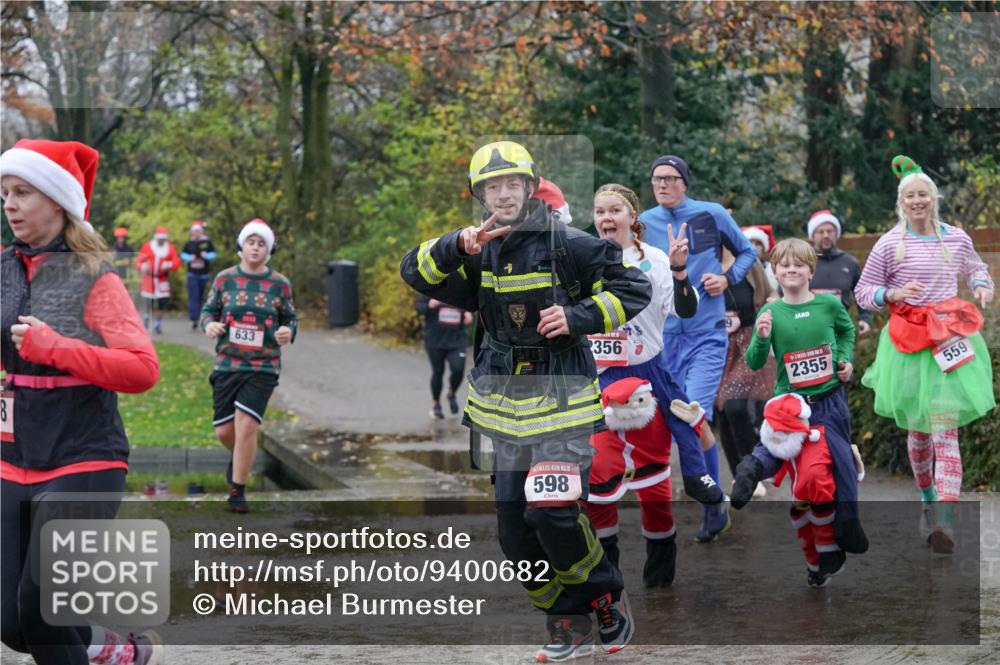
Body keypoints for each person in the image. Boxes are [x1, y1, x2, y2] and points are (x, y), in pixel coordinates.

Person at [400, 140, 651, 661]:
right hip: (505, 411)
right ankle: (566, 621)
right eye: (492, 186)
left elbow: (634, 288)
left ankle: (605, 597)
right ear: (480, 196)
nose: (504, 194)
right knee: (515, 535)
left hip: (563, 404)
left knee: (551, 511)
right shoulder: (478, 252)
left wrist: (578, 317)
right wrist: (454, 245)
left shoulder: (571, 244)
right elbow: (413, 272)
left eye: (512, 183)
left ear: (530, 187)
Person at [0, 139, 162, 664]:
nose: (10, 205)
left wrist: (55, 347)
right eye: (5, 193)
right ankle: (112, 650)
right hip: (14, 457)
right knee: (12, 622)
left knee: (40, 608)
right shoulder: (3, 270)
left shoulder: (93, 275)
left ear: (56, 199)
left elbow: (142, 369)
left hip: (85, 457)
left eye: (23, 192)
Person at [855, 155, 994, 554]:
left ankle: (946, 522)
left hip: (949, 339)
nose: (918, 201)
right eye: (910, 196)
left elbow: (977, 268)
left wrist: (982, 285)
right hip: (909, 345)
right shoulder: (889, 243)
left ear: (934, 198)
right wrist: (892, 293)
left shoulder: (956, 238)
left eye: (924, 195)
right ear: (902, 202)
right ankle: (929, 498)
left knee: (945, 432)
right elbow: (864, 292)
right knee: (918, 434)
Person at [589, 183, 729, 536]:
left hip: (647, 367)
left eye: (615, 210)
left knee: (687, 419)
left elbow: (686, 309)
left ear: (632, 217)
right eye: (600, 211)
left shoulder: (653, 258)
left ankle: (705, 491)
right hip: (599, 372)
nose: (607, 217)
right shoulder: (583, 258)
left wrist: (680, 270)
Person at [638, 154, 757, 542]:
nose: (663, 184)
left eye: (671, 178)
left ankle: (712, 507)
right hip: (662, 339)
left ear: (685, 183)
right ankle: (710, 500)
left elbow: (748, 252)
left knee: (694, 415)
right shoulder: (644, 223)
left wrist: (727, 278)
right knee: (670, 422)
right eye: (657, 179)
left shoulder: (711, 214)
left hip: (707, 333)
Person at [731, 238, 867, 560]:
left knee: (836, 467)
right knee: (803, 469)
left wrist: (844, 361)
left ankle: (845, 526)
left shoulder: (829, 305)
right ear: (775, 272)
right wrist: (761, 337)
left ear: (811, 271)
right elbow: (753, 361)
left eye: (799, 265)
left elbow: (846, 332)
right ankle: (752, 468)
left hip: (829, 400)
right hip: (790, 403)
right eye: (785, 265)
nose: (791, 269)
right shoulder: (770, 312)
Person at [200, 218, 297, 514]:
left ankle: (237, 492)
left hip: (263, 365)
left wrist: (288, 331)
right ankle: (241, 457)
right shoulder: (224, 279)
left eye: (261, 244)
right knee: (225, 432)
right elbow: (208, 311)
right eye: (251, 242)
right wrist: (210, 325)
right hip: (228, 363)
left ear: (269, 250)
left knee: (247, 425)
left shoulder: (280, 284)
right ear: (241, 246)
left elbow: (290, 318)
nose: (255, 248)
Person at [755, 394, 843, 587]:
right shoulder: (786, 440)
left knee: (821, 521)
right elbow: (779, 458)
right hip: (800, 499)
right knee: (803, 526)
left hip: (821, 497)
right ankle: (814, 567)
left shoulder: (818, 433)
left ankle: (829, 554)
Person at [714, 236, 777, 495]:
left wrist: (771, 304)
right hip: (714, 345)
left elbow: (770, 292)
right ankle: (739, 477)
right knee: (722, 412)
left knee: (735, 406)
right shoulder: (700, 264)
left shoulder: (748, 263)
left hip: (746, 343)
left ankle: (754, 468)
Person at [807, 210, 873, 337]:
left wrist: (865, 319)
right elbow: (785, 293)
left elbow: (862, 293)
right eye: (820, 232)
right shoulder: (802, 262)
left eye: (830, 231)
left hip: (840, 332)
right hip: (806, 331)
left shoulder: (850, 263)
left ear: (836, 234)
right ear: (812, 235)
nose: (826, 235)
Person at [415, 294, 471, 419]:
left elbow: (471, 304)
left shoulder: (459, 289)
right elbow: (419, 309)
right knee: (438, 372)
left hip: (456, 341)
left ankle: (451, 393)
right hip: (435, 341)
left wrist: (468, 313)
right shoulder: (431, 290)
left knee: (458, 369)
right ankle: (436, 405)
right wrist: (429, 305)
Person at [135, 227, 180, 334]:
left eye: (163, 239)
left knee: (162, 302)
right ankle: (146, 318)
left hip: (162, 279)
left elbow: (177, 262)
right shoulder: (148, 246)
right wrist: (142, 266)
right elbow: (138, 260)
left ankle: (158, 323)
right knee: (148, 301)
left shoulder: (170, 248)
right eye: (160, 239)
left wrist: (169, 264)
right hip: (149, 278)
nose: (161, 241)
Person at [181, 220, 217, 330]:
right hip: (192, 274)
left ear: (201, 232)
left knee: (201, 297)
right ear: (192, 232)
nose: (196, 233)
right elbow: (183, 254)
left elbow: (213, 254)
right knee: (194, 296)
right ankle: (194, 319)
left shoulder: (207, 242)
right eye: (194, 231)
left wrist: (206, 256)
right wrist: (189, 258)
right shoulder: (189, 243)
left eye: (198, 231)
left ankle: (201, 316)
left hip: (204, 274)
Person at [742, 225, 778, 292]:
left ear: (763, 249)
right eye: (750, 242)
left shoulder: (773, 269)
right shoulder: (736, 269)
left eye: (758, 244)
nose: (753, 247)